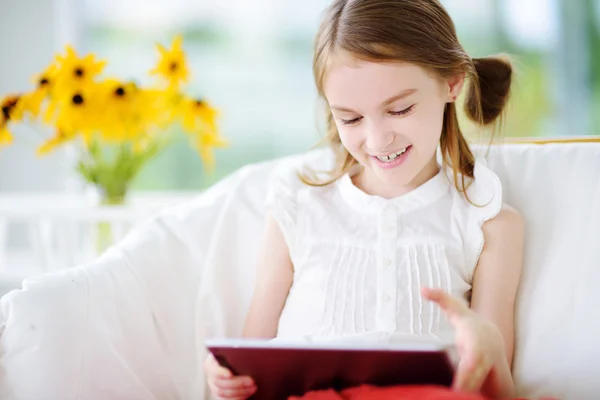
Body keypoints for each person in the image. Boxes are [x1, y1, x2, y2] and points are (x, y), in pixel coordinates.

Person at [205, 0, 525, 399]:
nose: (376, 141)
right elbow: (252, 355)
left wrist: (486, 347)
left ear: (452, 82)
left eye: (399, 109)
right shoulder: (298, 202)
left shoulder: (487, 221)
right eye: (351, 119)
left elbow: (500, 393)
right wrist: (227, 378)